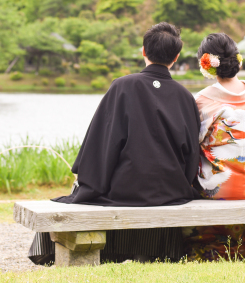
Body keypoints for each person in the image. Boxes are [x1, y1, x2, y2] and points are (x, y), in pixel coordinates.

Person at [28, 22, 202, 264]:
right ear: (176, 57)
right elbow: (192, 154)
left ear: (143, 51)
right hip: (171, 190)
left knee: (85, 194)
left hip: (127, 188)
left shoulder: (123, 86)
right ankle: (152, 251)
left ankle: (109, 251)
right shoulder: (185, 96)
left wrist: (88, 181)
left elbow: (103, 142)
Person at [183, 32, 245, 261]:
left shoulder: (202, 100)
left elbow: (191, 145)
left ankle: (210, 250)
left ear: (206, 64)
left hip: (217, 188)